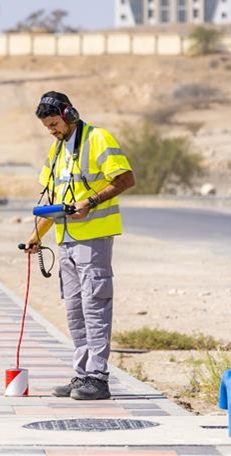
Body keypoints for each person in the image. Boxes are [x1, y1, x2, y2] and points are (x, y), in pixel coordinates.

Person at [24, 91, 135, 401]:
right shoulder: (57, 150)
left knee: (95, 306)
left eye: (55, 123)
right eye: (47, 126)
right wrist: (36, 236)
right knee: (75, 310)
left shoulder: (98, 139)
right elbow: (51, 200)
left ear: (69, 113)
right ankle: (82, 375)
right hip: (67, 241)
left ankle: (98, 378)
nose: (52, 130)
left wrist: (91, 201)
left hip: (94, 238)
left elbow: (127, 179)